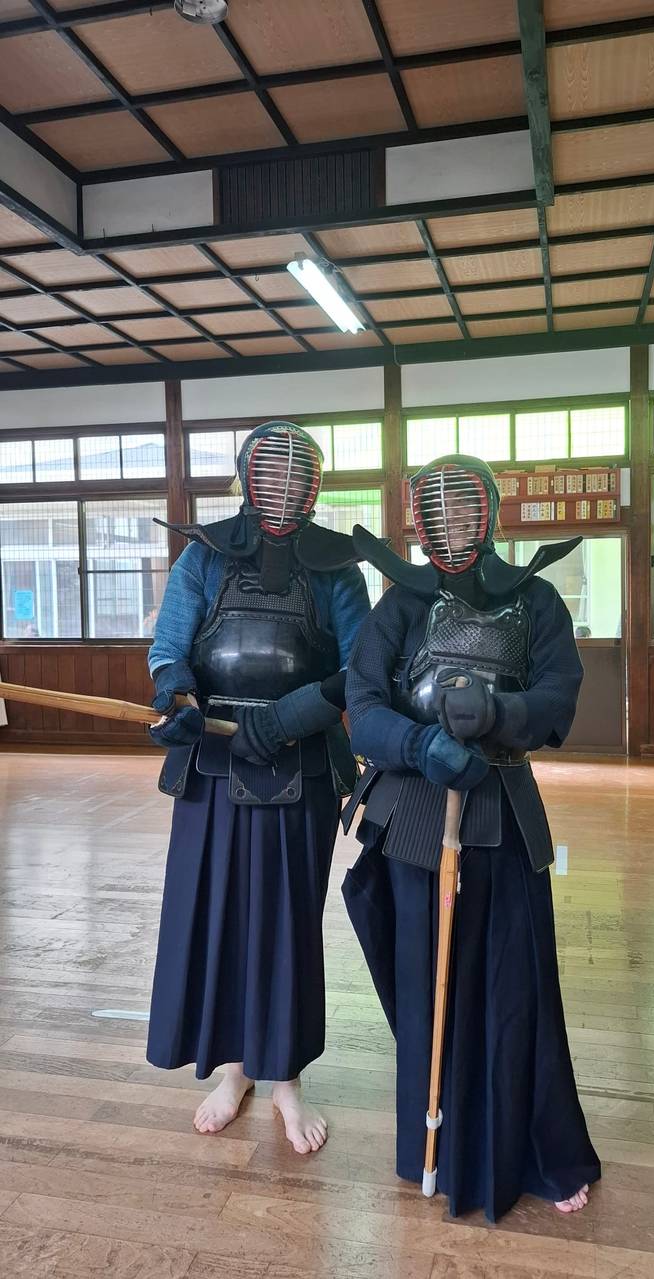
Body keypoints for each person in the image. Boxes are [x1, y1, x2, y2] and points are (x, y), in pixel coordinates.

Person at [342, 454, 600, 1220]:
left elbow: (558, 699)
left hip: (503, 810)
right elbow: (363, 697)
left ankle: (535, 1149)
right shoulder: (400, 605)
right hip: (416, 813)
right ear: (419, 522)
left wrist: (497, 714)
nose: (452, 524)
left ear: (489, 514)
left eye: (466, 509)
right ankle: (435, 1143)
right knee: (426, 987)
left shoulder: (538, 601)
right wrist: (417, 745)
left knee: (516, 984)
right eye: (437, 511)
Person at [146, 420, 370, 1153]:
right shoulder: (204, 554)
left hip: (299, 758)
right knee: (222, 915)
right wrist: (177, 697)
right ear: (246, 476)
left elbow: (363, 665)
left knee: (286, 919)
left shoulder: (336, 567)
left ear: (315, 483)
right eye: (268, 471)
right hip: (214, 758)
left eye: (295, 472)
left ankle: (287, 1077)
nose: (281, 485)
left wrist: (297, 713)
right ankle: (237, 1068)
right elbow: (170, 646)